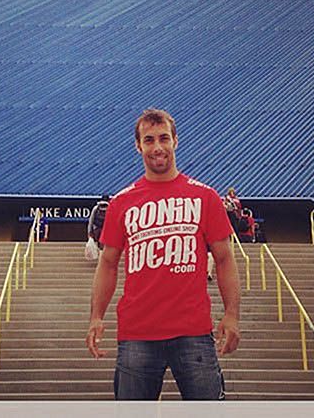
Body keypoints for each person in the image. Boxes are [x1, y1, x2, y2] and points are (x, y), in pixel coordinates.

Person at [85, 108, 240, 401]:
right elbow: (107, 263)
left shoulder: (204, 197)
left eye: (164, 138)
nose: (157, 147)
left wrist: (232, 314)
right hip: (137, 333)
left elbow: (224, 259)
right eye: (149, 139)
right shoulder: (122, 202)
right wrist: (96, 316)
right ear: (138, 145)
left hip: (193, 331)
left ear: (175, 141)